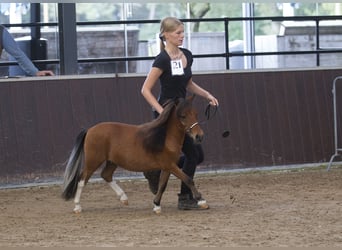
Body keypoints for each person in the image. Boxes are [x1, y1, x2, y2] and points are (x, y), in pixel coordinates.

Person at [141, 17, 219, 210]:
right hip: (167, 115)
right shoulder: (162, 59)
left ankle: (158, 168)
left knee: (196, 155)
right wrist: (162, 113)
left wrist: (207, 95)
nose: (182, 36)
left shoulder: (187, 55)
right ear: (166, 35)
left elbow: (189, 84)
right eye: (177, 33)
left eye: (182, 32)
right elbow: (145, 90)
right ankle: (185, 197)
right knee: (193, 154)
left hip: (183, 114)